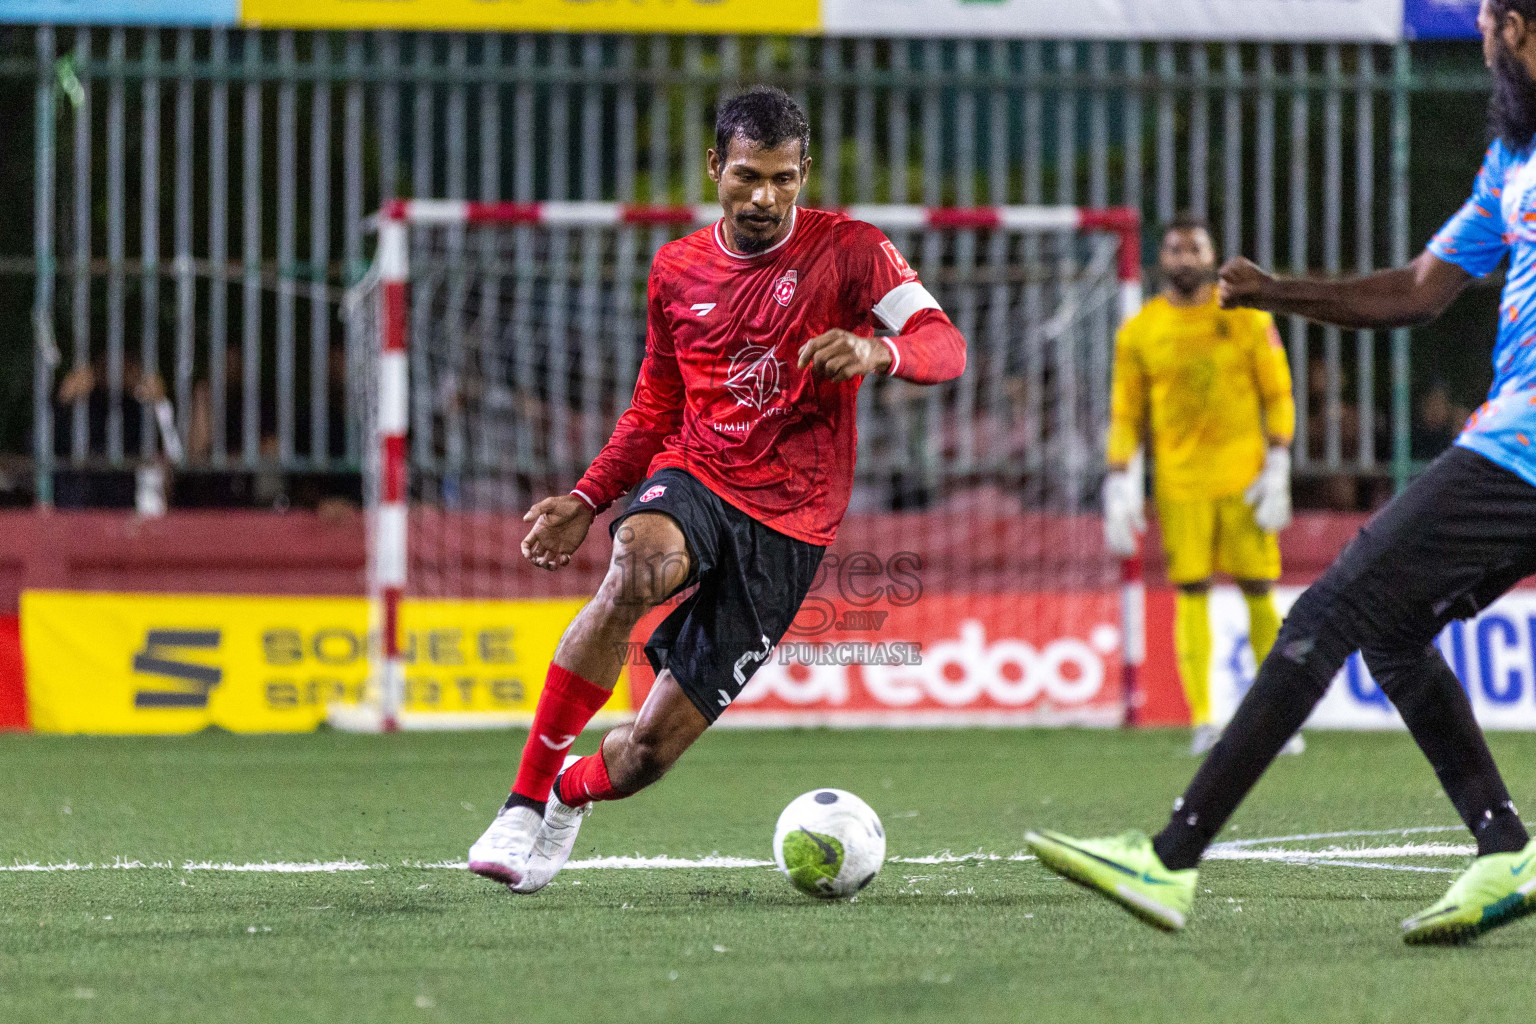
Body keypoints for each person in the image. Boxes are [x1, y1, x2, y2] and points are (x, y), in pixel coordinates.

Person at [1026, 0, 1536, 944]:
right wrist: (1275, 292)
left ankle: (1171, 858)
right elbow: (1422, 290)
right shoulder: (1512, 159)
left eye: (1483, 21)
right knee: (1392, 634)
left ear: (1517, 27)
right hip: (1510, 447)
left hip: (1521, 446)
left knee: (1332, 609)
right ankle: (1504, 848)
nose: (1475, 35)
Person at [466, 86, 966, 893]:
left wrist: (882, 355)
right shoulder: (677, 268)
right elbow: (654, 407)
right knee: (635, 562)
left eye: (782, 178)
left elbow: (945, 343)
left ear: (804, 172)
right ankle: (522, 801)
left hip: (792, 527)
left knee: (644, 755)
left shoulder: (855, 251)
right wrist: (589, 499)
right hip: (697, 475)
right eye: (745, 178)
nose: (764, 197)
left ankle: (568, 797)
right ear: (714, 168)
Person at [1102, 214, 1299, 757]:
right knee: (1191, 590)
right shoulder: (1140, 331)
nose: (1185, 258)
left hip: (1245, 478)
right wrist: (1118, 479)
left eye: (1195, 248)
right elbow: (1126, 413)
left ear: (1211, 256)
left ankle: (1275, 717)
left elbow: (1277, 393)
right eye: (1175, 249)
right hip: (1180, 483)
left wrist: (1279, 459)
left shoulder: (1246, 319)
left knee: (1260, 588)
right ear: (1161, 259)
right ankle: (1205, 720)